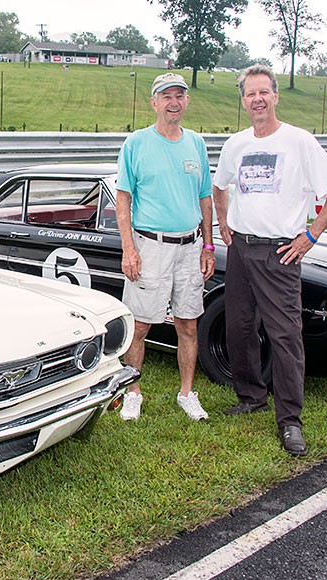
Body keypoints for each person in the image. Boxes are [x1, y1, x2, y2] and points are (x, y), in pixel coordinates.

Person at [212, 64, 327, 456]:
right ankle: (251, 395)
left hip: (280, 253)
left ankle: (290, 421)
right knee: (238, 327)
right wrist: (223, 221)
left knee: (285, 336)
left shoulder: (299, 142)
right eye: (250, 94)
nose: (257, 99)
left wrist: (309, 235)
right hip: (241, 250)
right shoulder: (235, 144)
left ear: (275, 96)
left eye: (263, 92)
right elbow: (220, 186)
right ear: (243, 101)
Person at [116, 72, 216, 422]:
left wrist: (208, 245)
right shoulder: (136, 143)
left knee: (188, 324)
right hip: (150, 246)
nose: (174, 102)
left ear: (187, 101)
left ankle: (187, 393)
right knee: (140, 325)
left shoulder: (196, 144)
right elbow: (123, 199)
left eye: (180, 95)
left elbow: (205, 196)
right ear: (154, 101)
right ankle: (133, 391)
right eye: (167, 96)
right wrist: (129, 249)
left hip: (190, 247)